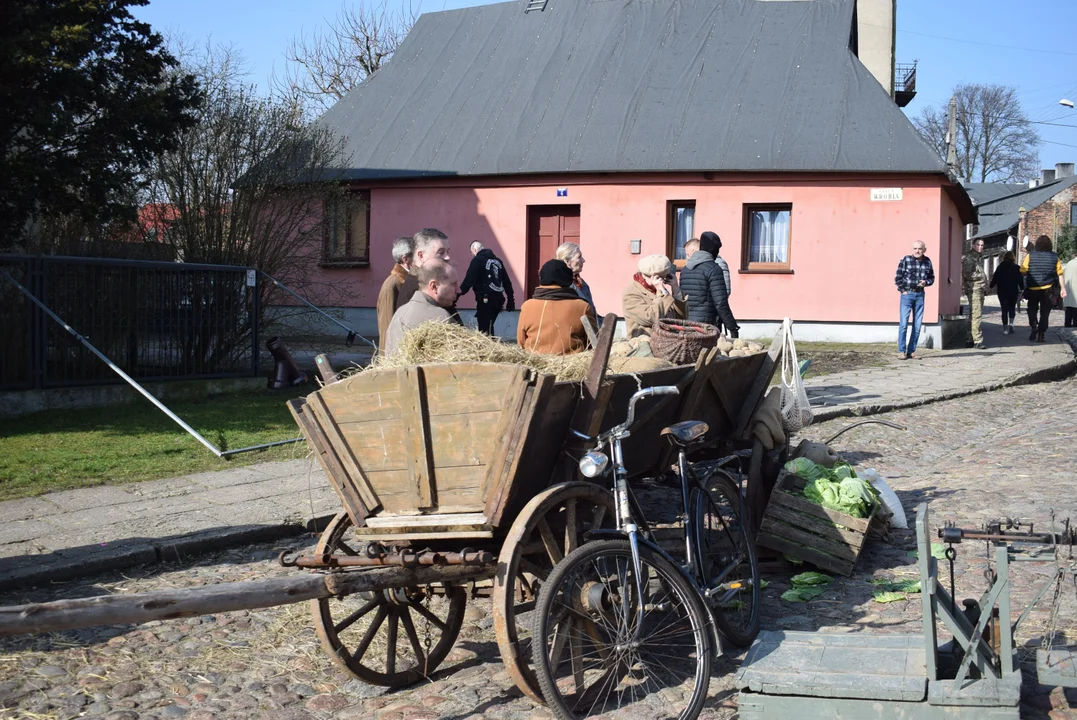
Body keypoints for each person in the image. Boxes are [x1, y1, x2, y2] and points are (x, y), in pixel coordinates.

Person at [517, 259, 595, 355]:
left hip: (534, 363)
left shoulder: (527, 306)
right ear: (567, 280)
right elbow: (592, 343)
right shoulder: (582, 307)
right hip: (570, 365)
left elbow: (521, 343)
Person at [382, 260, 458, 355]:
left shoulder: (399, 314)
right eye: (453, 284)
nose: (458, 289)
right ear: (434, 286)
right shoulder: (441, 317)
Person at [679, 233, 738, 337]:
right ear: (714, 249)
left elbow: (682, 298)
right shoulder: (713, 269)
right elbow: (720, 302)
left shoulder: (685, 270)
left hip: (687, 324)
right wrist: (732, 327)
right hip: (706, 326)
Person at [622, 254, 686, 339]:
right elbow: (650, 319)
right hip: (645, 345)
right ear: (644, 275)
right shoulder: (631, 293)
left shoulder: (659, 289)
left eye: (664, 277)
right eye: (659, 277)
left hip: (667, 343)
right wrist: (661, 293)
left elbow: (680, 318)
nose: (662, 281)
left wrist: (676, 290)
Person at [459, 241, 515, 335]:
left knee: (484, 330)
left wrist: (458, 293)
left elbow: (469, 280)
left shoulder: (477, 260)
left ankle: (489, 347)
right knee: (489, 326)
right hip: (498, 299)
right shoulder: (498, 261)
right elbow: (506, 281)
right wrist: (510, 299)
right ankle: (492, 346)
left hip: (486, 298)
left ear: (474, 250)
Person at [1020, 235, 1067, 342]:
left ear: (1037, 244)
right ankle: (1041, 334)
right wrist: (1063, 289)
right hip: (1048, 289)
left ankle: (1033, 325)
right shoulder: (1055, 257)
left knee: (1032, 309)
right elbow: (1060, 274)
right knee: (1045, 312)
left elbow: (1023, 270)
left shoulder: (1030, 255)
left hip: (1033, 289)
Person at [893, 241, 934, 359]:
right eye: (915, 248)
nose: (917, 251)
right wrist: (903, 291)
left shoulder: (928, 261)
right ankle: (901, 351)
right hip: (907, 295)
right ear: (912, 249)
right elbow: (897, 278)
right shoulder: (905, 260)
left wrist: (926, 282)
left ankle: (911, 351)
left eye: (920, 249)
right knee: (904, 324)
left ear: (924, 250)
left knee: (917, 325)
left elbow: (932, 278)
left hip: (920, 295)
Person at [376, 237, 414, 349]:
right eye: (417, 255)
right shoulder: (392, 285)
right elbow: (387, 325)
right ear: (406, 259)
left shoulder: (409, 281)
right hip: (396, 354)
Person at [399, 228, 452, 308]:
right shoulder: (415, 289)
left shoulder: (427, 281)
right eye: (441, 252)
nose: (447, 257)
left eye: (447, 252)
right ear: (421, 255)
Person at [555, 242, 596, 319]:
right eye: (579, 257)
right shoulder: (559, 285)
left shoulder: (582, 284)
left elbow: (592, 313)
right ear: (567, 261)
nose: (583, 260)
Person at [989, 251, 1023, 335]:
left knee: (1004, 310)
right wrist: (1022, 289)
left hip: (1002, 291)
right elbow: (1020, 280)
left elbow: (995, 278)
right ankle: (1011, 324)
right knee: (1012, 308)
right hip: (1013, 291)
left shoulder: (1000, 267)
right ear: (1013, 258)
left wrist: (989, 287)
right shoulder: (1017, 268)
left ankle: (1005, 329)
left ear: (1004, 258)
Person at [962, 238, 987, 349]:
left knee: (973, 315)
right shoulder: (969, 257)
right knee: (976, 315)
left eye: (982, 245)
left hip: (978, 289)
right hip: (974, 289)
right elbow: (967, 274)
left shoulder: (978, 257)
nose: (980, 247)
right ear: (973, 245)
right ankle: (977, 340)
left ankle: (970, 339)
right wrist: (981, 277)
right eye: (978, 245)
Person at [1065, 255, 1077, 328]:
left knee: (1068, 307)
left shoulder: (1069, 263)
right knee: (1075, 308)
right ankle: (1075, 323)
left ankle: (1067, 323)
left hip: (1068, 288)